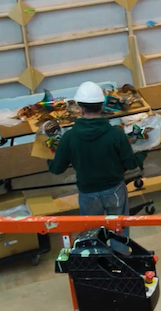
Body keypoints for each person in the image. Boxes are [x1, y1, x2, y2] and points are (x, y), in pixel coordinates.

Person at [47, 82, 145, 220]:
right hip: (114, 190)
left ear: (80, 109)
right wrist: (145, 149)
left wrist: (48, 157)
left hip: (88, 193)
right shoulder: (116, 134)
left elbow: (57, 169)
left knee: (92, 235)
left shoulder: (69, 138)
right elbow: (131, 164)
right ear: (101, 107)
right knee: (119, 230)